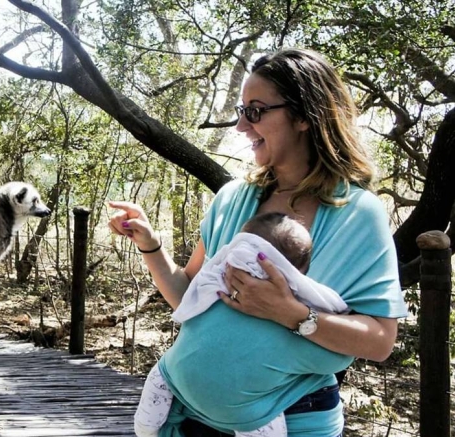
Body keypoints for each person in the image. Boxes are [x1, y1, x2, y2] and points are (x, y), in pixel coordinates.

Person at [108, 48, 407, 437]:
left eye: (255, 111)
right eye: (241, 110)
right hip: (193, 416)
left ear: (303, 116)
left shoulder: (358, 214)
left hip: (295, 419)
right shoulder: (232, 199)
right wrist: (150, 244)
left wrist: (290, 313)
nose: (241, 127)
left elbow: (381, 341)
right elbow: (189, 297)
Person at [134, 212, 349, 437]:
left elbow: (184, 302)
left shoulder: (210, 288)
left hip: (174, 381)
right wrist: (303, 316)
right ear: (298, 274)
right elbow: (337, 358)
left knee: (157, 385)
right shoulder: (286, 325)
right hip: (247, 413)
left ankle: (145, 429)